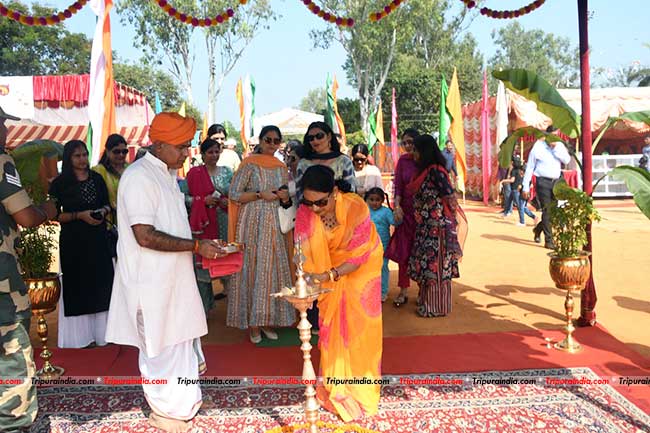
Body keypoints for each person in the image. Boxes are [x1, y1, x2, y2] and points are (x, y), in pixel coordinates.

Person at [105, 112, 226, 433]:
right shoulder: (140, 177)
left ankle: (186, 401)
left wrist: (199, 243)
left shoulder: (165, 173)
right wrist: (196, 247)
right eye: (181, 146)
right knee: (160, 346)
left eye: (188, 146)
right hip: (151, 282)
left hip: (173, 278)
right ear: (159, 145)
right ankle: (165, 411)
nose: (187, 153)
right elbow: (144, 235)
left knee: (182, 340)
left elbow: (171, 225)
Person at [295, 165, 383, 422]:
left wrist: (328, 275)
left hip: (362, 269)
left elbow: (359, 255)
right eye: (309, 203)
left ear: (335, 192)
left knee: (361, 327)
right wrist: (311, 275)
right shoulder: (305, 213)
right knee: (334, 330)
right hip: (329, 273)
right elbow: (301, 251)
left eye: (320, 203)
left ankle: (362, 388)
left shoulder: (356, 207)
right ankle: (337, 384)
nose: (314, 209)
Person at [0, 106, 58, 433]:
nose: (6, 131)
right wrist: (47, 209)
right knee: (12, 355)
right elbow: (25, 217)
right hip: (2, 282)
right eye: (2, 124)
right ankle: (14, 424)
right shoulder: (0, 161)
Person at [227, 125, 296, 344]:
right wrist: (259, 194)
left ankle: (267, 320)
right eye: (268, 140)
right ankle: (253, 324)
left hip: (274, 223)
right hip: (251, 223)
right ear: (261, 140)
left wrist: (284, 196)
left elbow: (285, 196)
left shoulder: (281, 167)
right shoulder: (248, 164)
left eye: (276, 141)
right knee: (253, 268)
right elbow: (234, 194)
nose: (272, 144)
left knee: (271, 269)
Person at [49, 140, 115, 348]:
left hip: (97, 239)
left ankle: (104, 336)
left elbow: (107, 204)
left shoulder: (96, 178)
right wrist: (79, 216)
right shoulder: (60, 183)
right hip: (73, 241)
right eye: (77, 156)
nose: (82, 159)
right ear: (69, 158)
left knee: (102, 283)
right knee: (78, 286)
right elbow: (55, 215)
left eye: (85, 155)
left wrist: (102, 212)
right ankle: (80, 339)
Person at [407, 134, 467, 317]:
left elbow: (450, 196)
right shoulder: (424, 171)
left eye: (416, 150)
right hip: (426, 227)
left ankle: (436, 307)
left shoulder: (436, 171)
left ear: (424, 151)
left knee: (437, 267)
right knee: (427, 266)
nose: (413, 153)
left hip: (438, 228)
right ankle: (427, 302)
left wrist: (447, 223)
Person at [186, 138, 233, 311]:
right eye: (210, 152)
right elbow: (183, 198)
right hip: (204, 225)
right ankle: (203, 310)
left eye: (216, 151)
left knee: (228, 263)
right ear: (203, 154)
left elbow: (236, 195)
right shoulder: (194, 174)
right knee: (203, 269)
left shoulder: (227, 172)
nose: (214, 155)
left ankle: (232, 310)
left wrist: (228, 202)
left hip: (224, 223)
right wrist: (202, 201)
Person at [385, 128, 419, 308]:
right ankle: (403, 291)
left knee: (422, 252)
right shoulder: (403, 161)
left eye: (411, 142)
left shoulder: (424, 161)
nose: (408, 146)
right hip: (405, 213)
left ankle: (423, 291)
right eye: (405, 142)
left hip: (423, 214)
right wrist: (396, 207)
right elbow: (398, 186)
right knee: (404, 252)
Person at [522, 126, 571, 249]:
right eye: (553, 135)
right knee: (547, 211)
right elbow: (530, 167)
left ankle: (538, 229)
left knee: (553, 212)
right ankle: (549, 241)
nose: (555, 138)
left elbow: (567, 159)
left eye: (557, 135)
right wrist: (525, 187)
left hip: (557, 182)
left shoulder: (559, 145)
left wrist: (555, 148)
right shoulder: (538, 146)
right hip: (542, 182)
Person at [295, 121, 356, 202]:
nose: (315, 141)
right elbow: (299, 194)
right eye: (311, 138)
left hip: (339, 211)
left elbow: (351, 192)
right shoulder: (303, 164)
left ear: (329, 136)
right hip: (311, 211)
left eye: (319, 136)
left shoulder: (344, 161)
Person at [92, 133, 129, 257]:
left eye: (124, 151)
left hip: (130, 224)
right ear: (107, 152)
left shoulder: (132, 169)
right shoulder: (98, 171)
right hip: (108, 225)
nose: (121, 155)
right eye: (116, 151)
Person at [365, 187, 397, 302]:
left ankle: (383, 292)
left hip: (383, 246)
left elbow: (395, 222)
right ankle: (370, 291)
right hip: (367, 247)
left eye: (377, 200)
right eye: (371, 199)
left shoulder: (386, 212)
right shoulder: (364, 210)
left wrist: (398, 212)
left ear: (383, 200)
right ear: (367, 200)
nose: (374, 202)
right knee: (368, 269)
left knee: (382, 267)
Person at [501, 157, 539, 227]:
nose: (520, 172)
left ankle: (523, 221)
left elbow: (522, 185)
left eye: (522, 171)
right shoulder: (527, 176)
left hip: (522, 193)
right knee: (522, 207)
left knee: (521, 207)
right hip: (524, 193)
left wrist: (520, 187)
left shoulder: (522, 175)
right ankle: (507, 213)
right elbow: (531, 186)